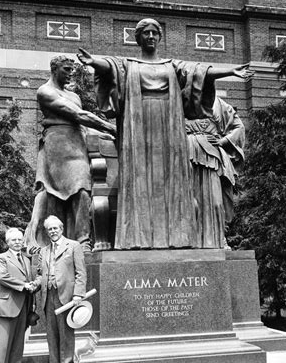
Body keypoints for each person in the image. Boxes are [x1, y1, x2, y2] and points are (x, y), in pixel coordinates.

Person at [77, 18, 253, 250]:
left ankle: (176, 238)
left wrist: (229, 70)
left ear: (159, 37)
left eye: (154, 33)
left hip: (169, 127)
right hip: (138, 127)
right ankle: (136, 238)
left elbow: (200, 72)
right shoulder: (129, 64)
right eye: (146, 33)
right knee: (140, 176)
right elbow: (111, 66)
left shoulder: (172, 66)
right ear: (137, 38)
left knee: (171, 179)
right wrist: (94, 62)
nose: (150, 36)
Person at [25, 55, 116, 253]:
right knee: (56, 197)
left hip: (77, 143)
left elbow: (82, 123)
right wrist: (111, 128)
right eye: (66, 69)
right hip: (57, 144)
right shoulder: (45, 91)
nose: (70, 73)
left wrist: (108, 134)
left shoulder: (74, 96)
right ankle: (56, 244)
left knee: (83, 189)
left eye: (72, 70)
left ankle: (83, 241)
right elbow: (78, 115)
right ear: (54, 69)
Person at [185, 96, 245, 248]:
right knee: (189, 201)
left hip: (211, 156)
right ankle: (189, 241)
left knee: (216, 202)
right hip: (184, 155)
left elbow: (239, 127)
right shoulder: (177, 100)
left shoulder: (218, 103)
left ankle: (217, 239)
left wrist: (224, 141)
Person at [38, 215, 87, 363]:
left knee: (66, 333)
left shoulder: (73, 246)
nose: (52, 231)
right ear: (47, 232)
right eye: (49, 229)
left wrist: (78, 294)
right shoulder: (44, 251)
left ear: (61, 229)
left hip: (66, 296)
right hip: (47, 296)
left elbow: (81, 272)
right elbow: (41, 274)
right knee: (51, 334)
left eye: (55, 228)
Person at [0, 228, 40, 363]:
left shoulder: (27, 259)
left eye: (20, 239)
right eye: (14, 240)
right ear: (8, 242)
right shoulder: (1, 258)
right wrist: (24, 285)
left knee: (18, 344)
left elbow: (31, 279)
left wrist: (33, 285)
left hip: (22, 307)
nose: (18, 242)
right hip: (5, 307)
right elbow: (2, 277)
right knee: (3, 345)